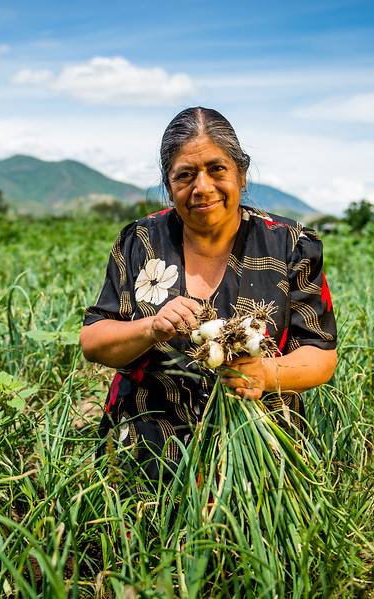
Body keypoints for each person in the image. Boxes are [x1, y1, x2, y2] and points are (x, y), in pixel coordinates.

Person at [80, 107, 337, 483]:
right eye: (185, 175)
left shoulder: (290, 245)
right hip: (148, 447)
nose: (202, 187)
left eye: (217, 169)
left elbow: (321, 355)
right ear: (169, 186)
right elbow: (93, 341)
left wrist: (264, 373)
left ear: (241, 175)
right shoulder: (140, 241)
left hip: (259, 453)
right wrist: (151, 327)